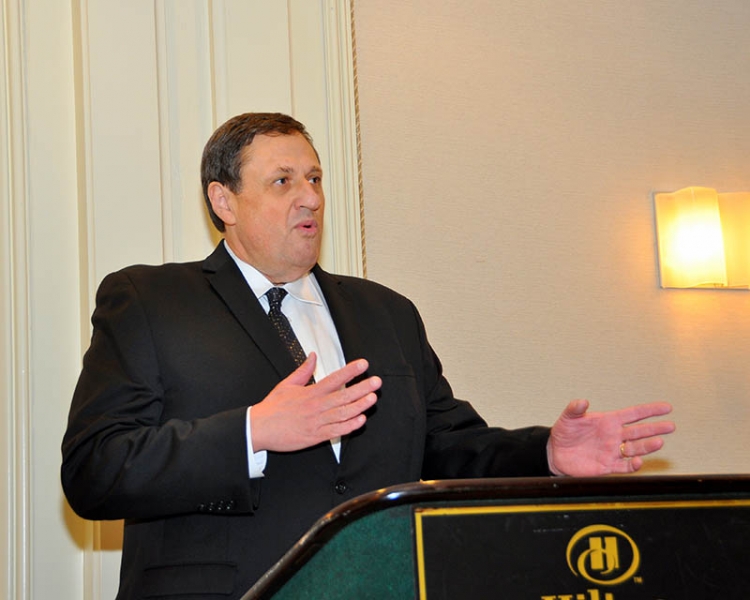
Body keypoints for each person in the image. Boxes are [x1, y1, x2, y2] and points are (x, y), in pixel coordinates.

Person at [61, 112, 675, 599]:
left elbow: (449, 446)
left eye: (315, 179)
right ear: (224, 202)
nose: (310, 198)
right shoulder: (151, 300)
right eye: (283, 181)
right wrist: (253, 432)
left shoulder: (387, 312)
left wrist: (547, 455)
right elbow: (96, 469)